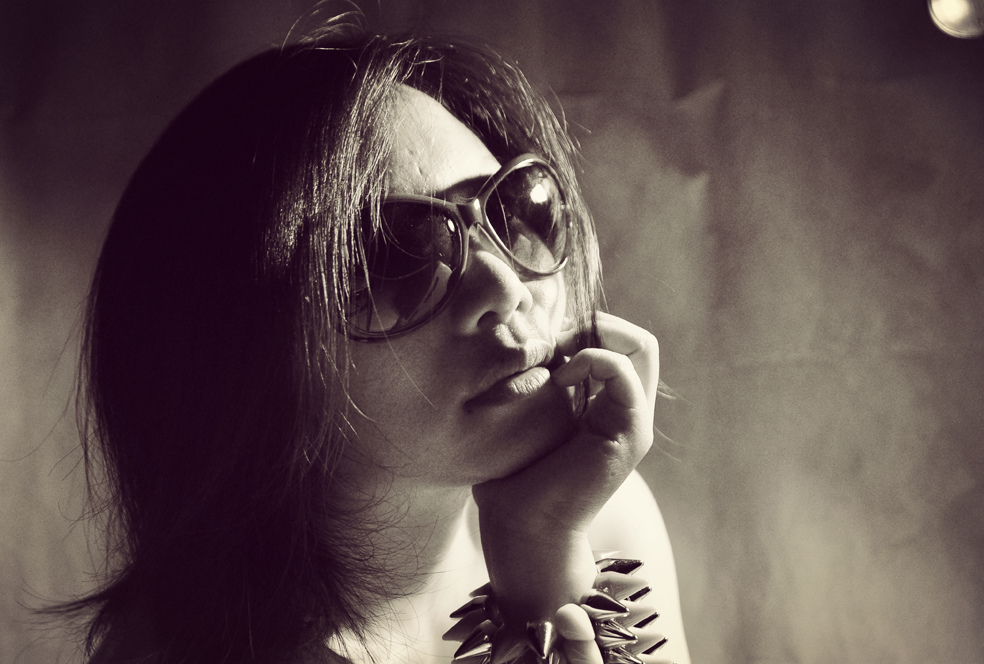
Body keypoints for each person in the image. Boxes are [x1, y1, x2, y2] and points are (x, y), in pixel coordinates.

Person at [60, 15, 691, 664]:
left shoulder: (591, 515)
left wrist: (544, 553)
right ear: (241, 362)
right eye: (396, 258)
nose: (506, 287)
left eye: (511, 211)